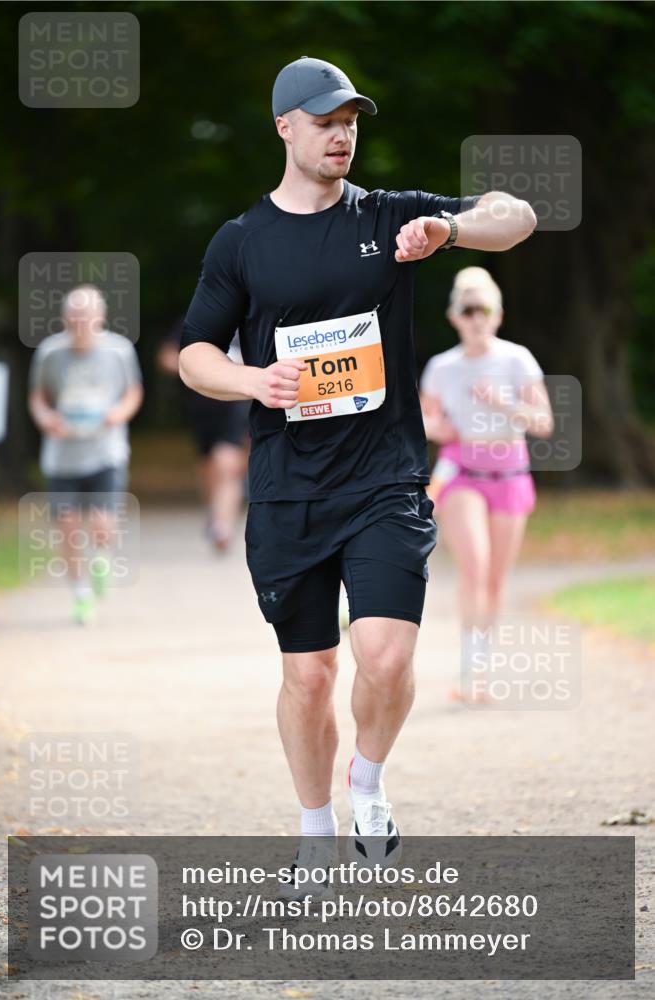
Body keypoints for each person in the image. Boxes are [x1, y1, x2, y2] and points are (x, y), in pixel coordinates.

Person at [178, 56, 536, 889]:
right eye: (324, 119)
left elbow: (513, 216)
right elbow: (193, 351)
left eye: (350, 121)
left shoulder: (392, 216)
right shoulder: (241, 241)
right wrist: (248, 380)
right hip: (286, 487)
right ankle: (313, 831)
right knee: (308, 675)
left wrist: (448, 231)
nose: (341, 133)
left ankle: (367, 783)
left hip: (385, 480)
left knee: (381, 656)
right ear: (284, 127)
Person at [419, 267, 553, 702]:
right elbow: (424, 419)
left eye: (484, 309)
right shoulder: (442, 367)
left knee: (495, 578)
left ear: (498, 314)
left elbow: (544, 423)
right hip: (462, 474)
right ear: (454, 315)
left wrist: (504, 403)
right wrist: (439, 428)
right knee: (474, 567)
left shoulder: (517, 360)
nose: (476, 318)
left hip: (510, 471)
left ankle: (484, 665)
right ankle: (469, 672)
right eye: (467, 309)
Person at [28, 284, 143, 624]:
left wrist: (117, 414)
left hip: (106, 451)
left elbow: (133, 392)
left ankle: (102, 559)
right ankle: (80, 595)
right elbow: (38, 397)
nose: (80, 322)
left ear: (100, 317)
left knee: (102, 524)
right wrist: (46, 419)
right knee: (67, 527)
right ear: (65, 319)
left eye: (87, 315)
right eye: (75, 316)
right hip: (62, 457)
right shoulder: (49, 352)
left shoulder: (119, 350)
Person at [157, 318, 249, 551]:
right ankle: (215, 512)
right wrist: (197, 366)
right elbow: (166, 357)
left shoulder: (252, 319)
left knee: (227, 463)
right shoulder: (196, 318)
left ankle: (222, 526)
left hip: (238, 407)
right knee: (207, 466)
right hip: (202, 408)